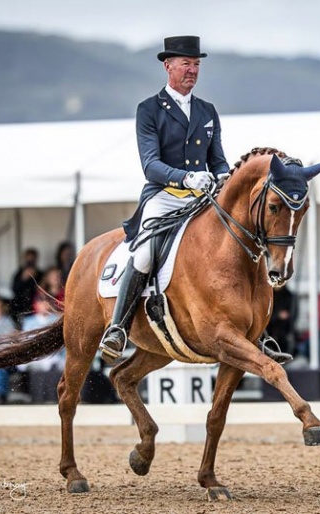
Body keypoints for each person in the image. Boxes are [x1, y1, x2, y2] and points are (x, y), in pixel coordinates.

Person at [99, 35, 232, 364]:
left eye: (197, 64)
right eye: (186, 64)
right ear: (168, 66)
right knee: (144, 252)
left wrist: (225, 177)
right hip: (165, 195)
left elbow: (217, 160)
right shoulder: (149, 110)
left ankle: (259, 330)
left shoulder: (207, 110)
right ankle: (117, 327)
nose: (192, 70)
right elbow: (151, 165)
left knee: (234, 240)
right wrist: (185, 177)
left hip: (202, 198)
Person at [10, 247, 43, 323]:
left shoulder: (40, 273)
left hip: (34, 304)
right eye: (28, 258)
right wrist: (23, 278)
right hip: (20, 305)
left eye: (33, 258)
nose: (30, 260)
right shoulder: (19, 273)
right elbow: (14, 289)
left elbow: (42, 289)